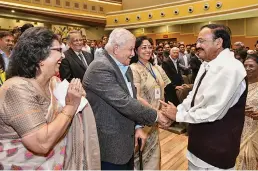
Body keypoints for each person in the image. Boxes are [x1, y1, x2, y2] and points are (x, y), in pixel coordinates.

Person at [0, 27, 100, 169]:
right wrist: (71, 106)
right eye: (58, 50)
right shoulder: (16, 89)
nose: (63, 56)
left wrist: (76, 96)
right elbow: (41, 144)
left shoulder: (54, 84)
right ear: (39, 55)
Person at [82, 28, 173, 170]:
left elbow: (132, 97)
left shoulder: (124, 66)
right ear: (116, 48)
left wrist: (137, 126)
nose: (132, 53)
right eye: (130, 49)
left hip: (127, 142)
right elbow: (124, 101)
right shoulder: (100, 67)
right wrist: (156, 115)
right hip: (110, 146)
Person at [160, 24, 247, 170]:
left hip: (216, 152)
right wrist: (178, 110)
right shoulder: (207, 64)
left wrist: (179, 116)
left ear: (218, 43)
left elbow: (213, 111)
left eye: (201, 41)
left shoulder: (231, 69)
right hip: (198, 146)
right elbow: (193, 97)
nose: (197, 45)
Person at [130, 36, 171, 170]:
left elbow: (163, 90)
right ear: (136, 50)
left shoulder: (156, 68)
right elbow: (136, 96)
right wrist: (155, 113)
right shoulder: (133, 69)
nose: (147, 50)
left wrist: (165, 113)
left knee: (154, 155)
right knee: (140, 155)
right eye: (143, 47)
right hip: (142, 119)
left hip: (155, 120)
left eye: (149, 47)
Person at [236, 54, 258, 170]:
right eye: (245, 65)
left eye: (251, 66)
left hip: (257, 132)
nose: (247, 68)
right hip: (238, 131)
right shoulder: (238, 85)